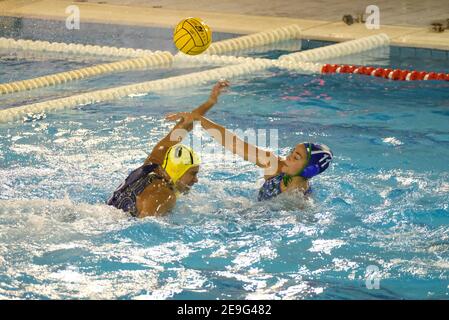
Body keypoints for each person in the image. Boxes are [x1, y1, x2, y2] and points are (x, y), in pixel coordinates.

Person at [166, 83, 333, 201]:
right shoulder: (275, 166)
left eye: (296, 157)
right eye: (291, 152)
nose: (288, 157)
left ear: (309, 169)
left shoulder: (302, 201)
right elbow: (234, 144)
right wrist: (198, 119)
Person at [107, 80, 230, 217]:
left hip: (102, 212)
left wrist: (210, 102)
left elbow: (184, 126)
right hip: (111, 223)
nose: (196, 180)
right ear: (177, 170)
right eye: (193, 173)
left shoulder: (153, 164)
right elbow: (146, 230)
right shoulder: (164, 196)